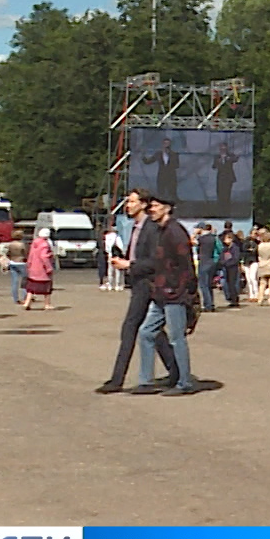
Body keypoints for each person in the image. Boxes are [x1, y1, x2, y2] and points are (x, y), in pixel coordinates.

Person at [99, 191, 178, 393]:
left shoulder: (151, 229)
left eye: (132, 202)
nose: (128, 205)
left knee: (130, 328)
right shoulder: (136, 228)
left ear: (143, 204)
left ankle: (117, 380)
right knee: (152, 330)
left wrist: (129, 264)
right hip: (138, 282)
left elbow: (155, 261)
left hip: (148, 284)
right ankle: (176, 370)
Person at [130, 195, 198, 396]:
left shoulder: (175, 232)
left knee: (177, 338)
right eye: (150, 207)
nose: (151, 209)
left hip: (174, 293)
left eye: (156, 206)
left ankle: (185, 382)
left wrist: (184, 292)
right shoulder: (161, 231)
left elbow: (186, 265)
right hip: (161, 292)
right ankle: (146, 381)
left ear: (167, 208)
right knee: (146, 332)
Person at [22, 227, 56, 310]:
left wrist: (29, 264)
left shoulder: (34, 243)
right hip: (42, 269)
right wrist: (49, 267)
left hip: (33, 268)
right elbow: (44, 257)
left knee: (31, 287)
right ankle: (47, 304)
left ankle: (27, 302)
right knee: (47, 287)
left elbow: (30, 255)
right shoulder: (45, 244)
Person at [142, 136, 181, 201]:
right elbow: (148, 161)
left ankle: (173, 204)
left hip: (171, 175)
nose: (166, 145)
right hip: (161, 175)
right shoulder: (158, 154)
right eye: (165, 144)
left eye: (168, 144)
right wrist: (143, 156)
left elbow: (177, 165)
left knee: (172, 191)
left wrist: (170, 157)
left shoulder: (174, 154)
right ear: (162, 145)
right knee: (161, 191)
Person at [212, 140, 238, 212]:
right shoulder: (217, 157)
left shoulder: (230, 155)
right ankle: (220, 206)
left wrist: (228, 158)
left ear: (226, 148)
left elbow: (235, 159)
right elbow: (213, 166)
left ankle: (227, 207)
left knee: (227, 192)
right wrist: (218, 161)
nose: (222, 149)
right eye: (221, 148)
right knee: (220, 192)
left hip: (228, 177)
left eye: (224, 148)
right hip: (220, 177)